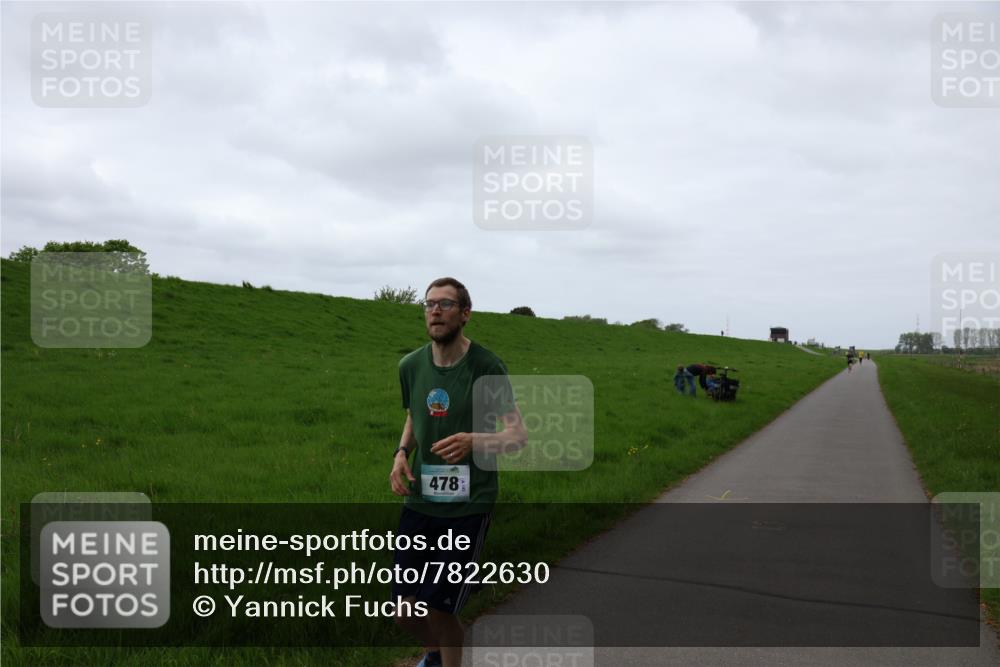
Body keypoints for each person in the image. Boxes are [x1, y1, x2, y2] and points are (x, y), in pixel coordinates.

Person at [390, 277, 527, 667]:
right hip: (421, 501)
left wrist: (474, 440)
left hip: (469, 506)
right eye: (429, 304)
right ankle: (435, 654)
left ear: (465, 314)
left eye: (446, 304)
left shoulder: (486, 367)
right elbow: (414, 415)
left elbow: (517, 436)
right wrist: (401, 453)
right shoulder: (410, 366)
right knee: (403, 610)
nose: (435, 310)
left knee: (439, 608)